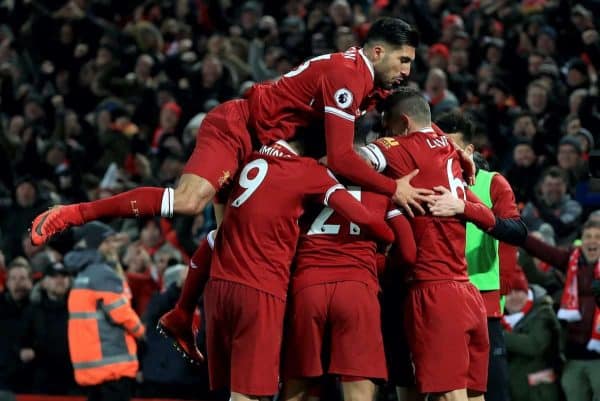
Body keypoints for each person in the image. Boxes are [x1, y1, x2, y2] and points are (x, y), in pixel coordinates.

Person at [30, 17, 443, 362]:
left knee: (232, 239)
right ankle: (74, 213)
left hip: (268, 149)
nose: (407, 68)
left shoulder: (369, 83)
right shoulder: (348, 75)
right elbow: (339, 158)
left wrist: (452, 149)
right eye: (403, 59)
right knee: (189, 203)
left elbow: (414, 114)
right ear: (376, 52)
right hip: (238, 130)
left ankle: (181, 314)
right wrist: (393, 190)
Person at [359, 88, 525, 401]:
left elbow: (349, 161)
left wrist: (389, 186)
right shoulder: (450, 156)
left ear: (403, 124)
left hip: (432, 293)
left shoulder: (398, 148)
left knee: (448, 396)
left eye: (387, 126)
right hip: (467, 292)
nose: (384, 134)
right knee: (472, 396)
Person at [203, 139, 394, 401]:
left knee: (299, 385)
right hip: (357, 290)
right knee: (358, 387)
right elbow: (403, 248)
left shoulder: (301, 176)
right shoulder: (380, 191)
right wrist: (382, 252)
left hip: (304, 288)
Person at [436, 111, 523, 401]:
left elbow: (514, 233)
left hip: (483, 298)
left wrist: (505, 284)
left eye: (452, 147)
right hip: (439, 296)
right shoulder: (427, 183)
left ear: (469, 150)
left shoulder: (491, 183)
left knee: (489, 388)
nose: (444, 154)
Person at [520, 219, 600, 401]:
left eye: (597, 237)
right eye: (588, 236)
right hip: (573, 356)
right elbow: (543, 251)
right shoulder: (570, 261)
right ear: (582, 240)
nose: (592, 241)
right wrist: (519, 235)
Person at [65, 222, 145, 401]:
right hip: (113, 368)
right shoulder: (103, 274)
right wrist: (142, 332)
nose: (112, 247)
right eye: (107, 242)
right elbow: (121, 312)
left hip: (91, 367)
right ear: (95, 245)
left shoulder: (82, 274)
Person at [19, 260, 78, 395]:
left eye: (64, 276)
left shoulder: (79, 309)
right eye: (53, 276)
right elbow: (21, 341)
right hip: (43, 379)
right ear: (43, 283)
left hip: (73, 379)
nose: (60, 280)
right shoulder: (32, 311)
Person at [502, 272, 562, 401]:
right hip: (513, 392)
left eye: (518, 291)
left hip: (540, 393)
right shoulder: (500, 320)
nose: (513, 297)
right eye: (508, 293)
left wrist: (499, 336)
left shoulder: (543, 312)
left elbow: (534, 345)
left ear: (527, 290)